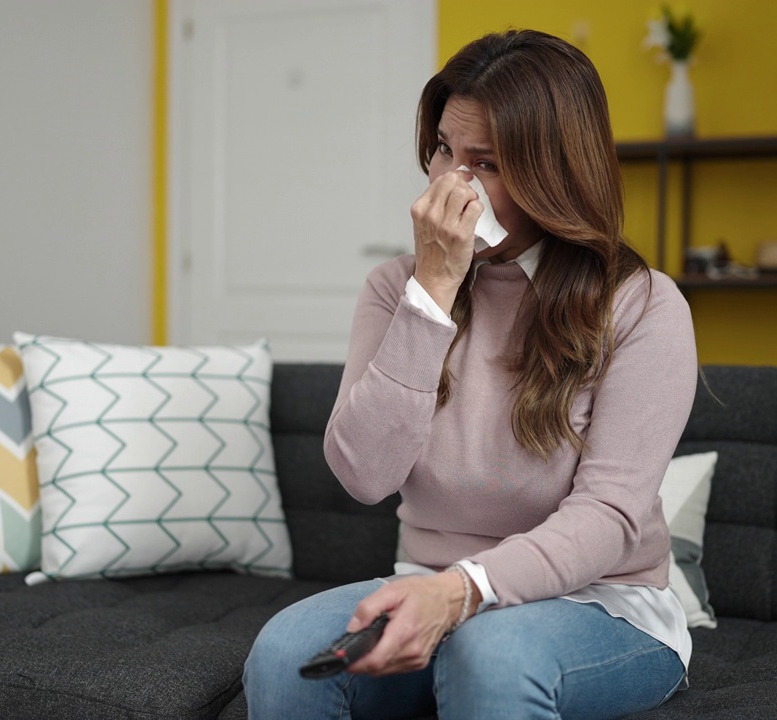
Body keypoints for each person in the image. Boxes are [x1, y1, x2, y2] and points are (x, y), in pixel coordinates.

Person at [244, 29, 698, 720]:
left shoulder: (642, 304)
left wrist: (463, 592)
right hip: (427, 587)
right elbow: (363, 475)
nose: (452, 185)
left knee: (490, 653)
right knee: (283, 657)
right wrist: (430, 297)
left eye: (484, 164)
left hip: (601, 601)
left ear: (556, 173)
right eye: (444, 154)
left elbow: (608, 516)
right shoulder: (394, 288)